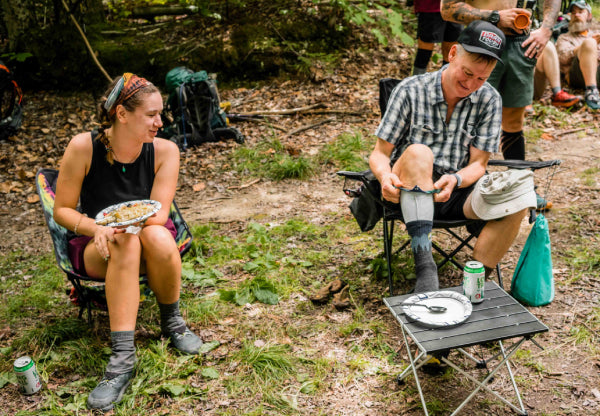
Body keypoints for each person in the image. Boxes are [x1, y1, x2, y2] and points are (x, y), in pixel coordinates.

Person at [53, 73, 203, 411]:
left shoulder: (165, 151)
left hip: (149, 240)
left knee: (156, 236)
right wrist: (96, 228)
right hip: (99, 245)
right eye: (151, 115)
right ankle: (122, 358)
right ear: (121, 114)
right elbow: (62, 209)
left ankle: (173, 323)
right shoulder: (83, 147)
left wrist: (131, 227)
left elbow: (159, 213)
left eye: (160, 114)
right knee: (124, 243)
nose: (159, 122)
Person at [369, 21, 536, 293]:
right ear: (452, 54)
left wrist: (456, 179)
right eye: (466, 73)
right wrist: (384, 176)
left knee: (520, 196)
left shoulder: (489, 99)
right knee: (420, 152)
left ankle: (474, 283)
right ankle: (426, 269)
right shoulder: (410, 90)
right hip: (408, 190)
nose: (471, 84)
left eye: (481, 79)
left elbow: (479, 164)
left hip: (456, 190)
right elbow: (379, 153)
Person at [441, 0, 561, 210]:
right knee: (465, 112)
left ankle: (521, 189)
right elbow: (447, 9)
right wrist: (495, 16)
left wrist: (545, 30)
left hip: (521, 45)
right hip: (480, 41)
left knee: (514, 120)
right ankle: (456, 184)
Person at [556, 0, 600, 110]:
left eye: (580, 12)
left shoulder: (596, 34)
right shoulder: (564, 37)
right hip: (576, 75)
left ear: (589, 16)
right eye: (573, 12)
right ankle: (591, 91)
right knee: (589, 43)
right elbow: (562, 59)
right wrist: (583, 48)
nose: (576, 15)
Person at [412, 0, 463, 75]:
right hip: (430, 6)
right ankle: (415, 82)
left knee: (451, 50)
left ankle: (446, 83)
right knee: (425, 50)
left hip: (456, 7)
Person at [533, 41, 581, 108]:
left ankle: (557, 93)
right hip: (515, 90)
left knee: (547, 45)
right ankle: (523, 100)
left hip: (533, 84)